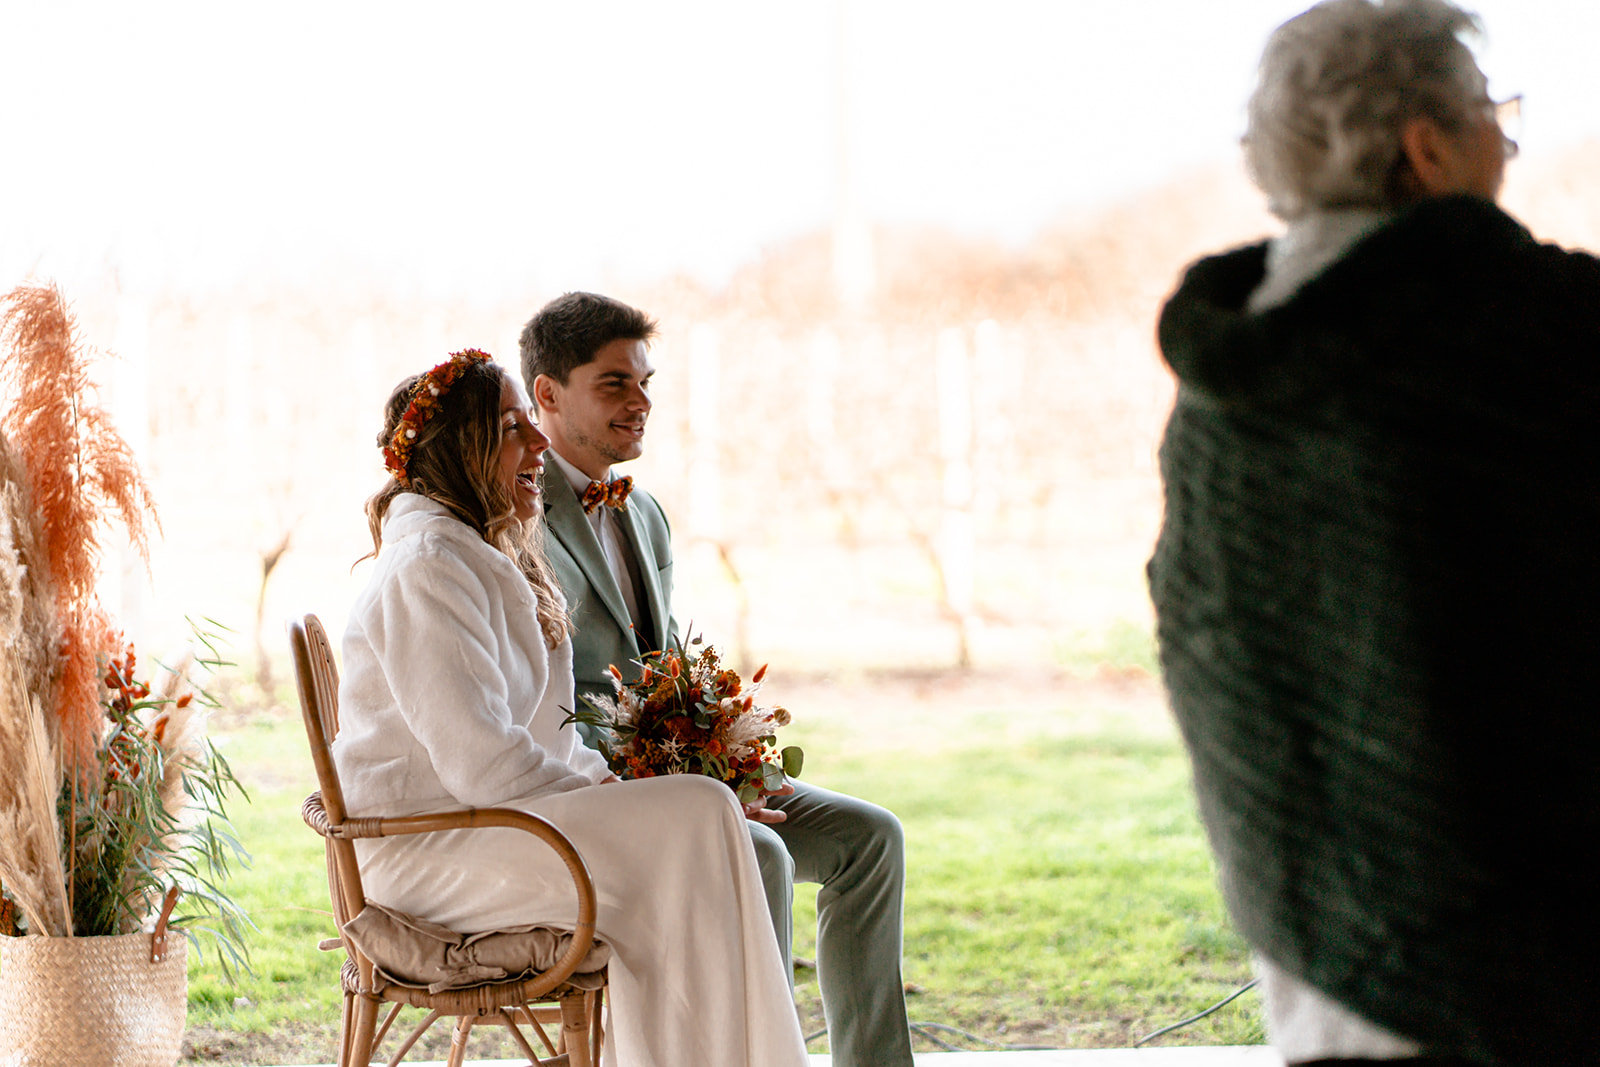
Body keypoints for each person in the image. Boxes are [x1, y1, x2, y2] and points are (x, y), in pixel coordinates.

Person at [1148, 1, 1600, 1065]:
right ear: (1424, 144)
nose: (1512, 136)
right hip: (1542, 945)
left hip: (1317, 930)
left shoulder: (1227, 374)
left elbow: (1205, 638)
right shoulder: (1540, 332)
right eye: (1498, 111)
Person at [333, 348, 808, 1067]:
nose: (540, 443)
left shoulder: (476, 553)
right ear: (464, 448)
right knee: (700, 816)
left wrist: (607, 785)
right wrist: (611, 796)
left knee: (700, 819)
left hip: (495, 827)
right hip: (431, 854)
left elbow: (543, 744)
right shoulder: (429, 566)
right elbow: (484, 763)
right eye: (513, 426)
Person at [520, 292, 916, 1067]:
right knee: (757, 852)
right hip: (594, 799)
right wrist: (693, 791)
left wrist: (730, 763)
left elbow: (661, 663)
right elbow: (538, 701)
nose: (642, 403)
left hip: (685, 774)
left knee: (871, 837)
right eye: (614, 385)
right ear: (546, 395)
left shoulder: (648, 515)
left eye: (645, 382)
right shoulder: (518, 519)